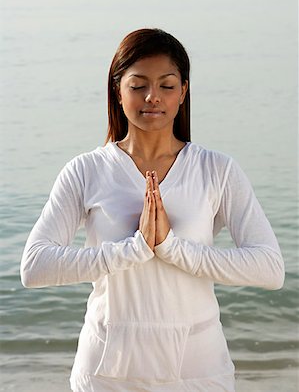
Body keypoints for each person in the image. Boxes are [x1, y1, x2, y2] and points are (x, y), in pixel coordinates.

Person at [20, 28, 285, 392]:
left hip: (198, 367)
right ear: (117, 90)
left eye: (166, 85)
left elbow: (270, 269)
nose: (152, 97)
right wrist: (133, 249)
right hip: (107, 370)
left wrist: (172, 248)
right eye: (138, 84)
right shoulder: (87, 170)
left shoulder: (216, 170)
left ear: (183, 92)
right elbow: (35, 267)